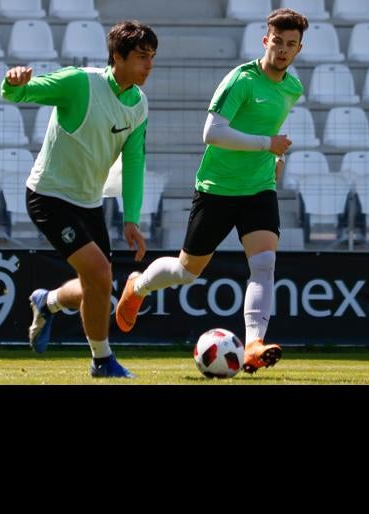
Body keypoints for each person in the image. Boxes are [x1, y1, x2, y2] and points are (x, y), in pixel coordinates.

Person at [114, 7, 308, 374]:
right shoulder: (241, 80)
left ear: (299, 49)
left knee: (264, 265)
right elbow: (212, 132)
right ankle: (137, 287)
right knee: (187, 271)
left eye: (291, 44)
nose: (282, 49)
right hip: (217, 189)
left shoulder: (292, 87)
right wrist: (267, 144)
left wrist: (273, 159)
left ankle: (253, 344)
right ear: (265, 41)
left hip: (258, 189)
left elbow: (264, 131)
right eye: (277, 41)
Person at [7, 20, 157, 378]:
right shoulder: (80, 82)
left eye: (152, 57)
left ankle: (48, 301)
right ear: (117, 57)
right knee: (101, 274)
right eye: (140, 56)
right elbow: (22, 92)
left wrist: (131, 218)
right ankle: (101, 361)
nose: (149, 65)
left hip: (89, 203)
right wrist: (13, 82)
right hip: (48, 195)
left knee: (99, 290)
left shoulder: (139, 104)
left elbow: (134, 162)